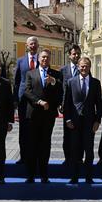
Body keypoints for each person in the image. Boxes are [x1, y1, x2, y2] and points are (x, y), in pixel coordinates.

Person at [24, 49, 63, 183]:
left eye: (47, 57)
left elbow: (60, 92)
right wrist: (39, 101)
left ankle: (44, 174)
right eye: (43, 57)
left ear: (50, 59)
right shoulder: (30, 73)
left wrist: (53, 82)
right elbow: (27, 91)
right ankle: (30, 175)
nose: (45, 59)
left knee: (45, 145)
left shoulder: (56, 74)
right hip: (33, 114)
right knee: (32, 144)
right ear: (39, 59)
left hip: (48, 115)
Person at [62, 55, 101, 184]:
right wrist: (67, 119)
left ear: (90, 67)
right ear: (78, 67)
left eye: (87, 66)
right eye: (82, 66)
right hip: (74, 122)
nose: (84, 68)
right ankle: (74, 177)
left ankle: (89, 177)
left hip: (90, 122)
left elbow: (99, 104)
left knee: (89, 151)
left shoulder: (95, 83)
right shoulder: (71, 82)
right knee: (75, 151)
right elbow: (67, 103)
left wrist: (98, 121)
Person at [13, 36, 40, 165]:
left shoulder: (41, 60)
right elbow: (16, 81)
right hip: (23, 99)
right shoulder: (20, 61)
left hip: (37, 98)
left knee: (36, 128)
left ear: (38, 46)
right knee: (23, 129)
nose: (33, 46)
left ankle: (35, 156)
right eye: (31, 44)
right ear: (27, 46)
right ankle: (23, 156)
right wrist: (15, 99)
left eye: (35, 44)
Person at [60, 44, 82, 165]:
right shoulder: (63, 70)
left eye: (78, 53)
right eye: (74, 54)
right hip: (67, 107)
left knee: (79, 133)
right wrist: (60, 104)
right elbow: (60, 89)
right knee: (67, 134)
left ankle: (79, 158)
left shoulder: (84, 69)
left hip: (80, 108)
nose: (76, 56)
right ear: (69, 55)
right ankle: (67, 158)